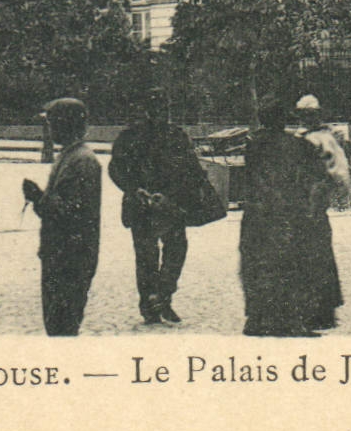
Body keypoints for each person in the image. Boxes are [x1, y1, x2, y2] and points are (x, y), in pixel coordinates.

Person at [108, 88, 224, 325]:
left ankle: (161, 298)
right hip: (147, 205)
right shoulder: (134, 137)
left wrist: (168, 195)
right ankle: (152, 303)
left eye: (164, 108)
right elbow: (117, 169)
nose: (162, 113)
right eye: (159, 108)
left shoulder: (172, 136)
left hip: (167, 206)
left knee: (171, 253)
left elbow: (190, 171)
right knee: (151, 255)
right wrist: (135, 189)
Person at [240, 95, 322, 337]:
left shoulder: (253, 144)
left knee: (256, 265)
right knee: (292, 264)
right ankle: (293, 321)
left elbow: (253, 179)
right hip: (288, 213)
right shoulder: (297, 144)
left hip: (258, 214)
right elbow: (310, 177)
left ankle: (256, 319)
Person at [24, 98, 102, 336]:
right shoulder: (70, 157)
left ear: (65, 124)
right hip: (59, 253)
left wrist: (39, 197)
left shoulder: (82, 161)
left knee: (63, 326)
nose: (49, 129)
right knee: (57, 324)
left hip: (71, 256)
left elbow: (70, 213)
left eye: (52, 123)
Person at [294, 94, 349, 329]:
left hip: (306, 204)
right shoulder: (324, 139)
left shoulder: (306, 139)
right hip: (315, 204)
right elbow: (340, 172)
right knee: (320, 256)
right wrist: (340, 194)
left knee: (310, 256)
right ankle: (323, 310)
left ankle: (314, 310)